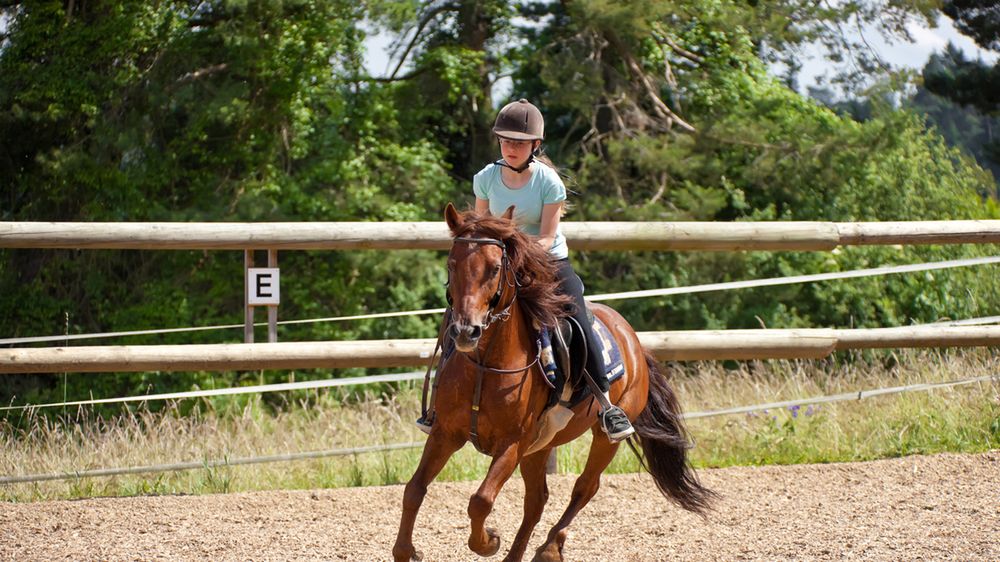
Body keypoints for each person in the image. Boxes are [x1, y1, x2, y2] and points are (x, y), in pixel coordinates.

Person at [418, 99, 634, 442]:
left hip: (547, 262)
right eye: (506, 141)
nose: (511, 147)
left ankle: (607, 405)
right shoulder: (485, 178)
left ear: (535, 145)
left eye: (519, 142)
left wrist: (518, 256)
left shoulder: (549, 182)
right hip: (498, 263)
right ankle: (438, 405)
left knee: (579, 317)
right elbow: (482, 228)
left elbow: (547, 237)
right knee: (457, 313)